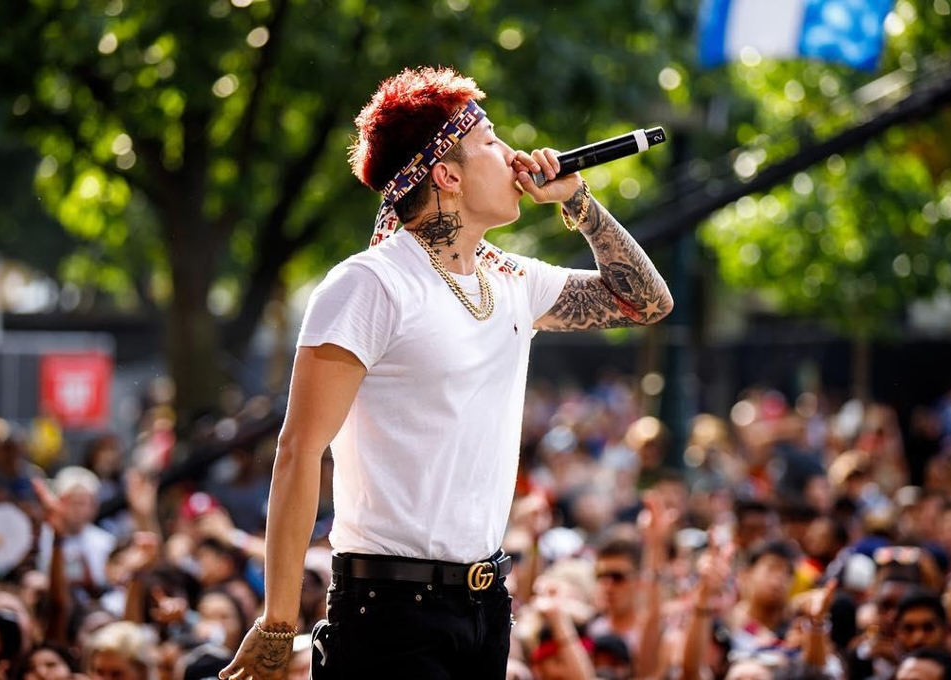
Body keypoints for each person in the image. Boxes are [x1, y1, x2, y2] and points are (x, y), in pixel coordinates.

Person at [219, 64, 672, 680]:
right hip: (389, 609)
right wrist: (277, 621)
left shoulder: (510, 279)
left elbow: (647, 303)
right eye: (492, 140)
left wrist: (582, 205)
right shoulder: (371, 284)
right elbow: (299, 450)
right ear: (447, 174)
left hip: (486, 602)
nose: (515, 155)